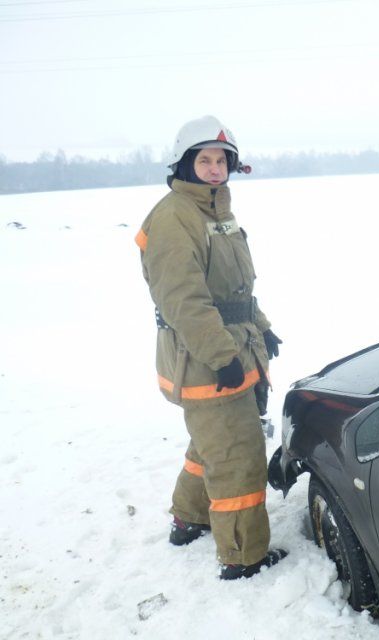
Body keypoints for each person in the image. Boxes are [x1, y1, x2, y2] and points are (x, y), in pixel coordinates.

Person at [135, 115, 285, 580]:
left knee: (210, 444)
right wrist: (224, 360)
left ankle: (188, 518)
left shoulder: (216, 212)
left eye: (222, 160)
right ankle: (244, 557)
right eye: (205, 159)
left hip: (233, 347)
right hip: (207, 359)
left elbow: (235, 289)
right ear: (185, 164)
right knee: (238, 455)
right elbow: (185, 301)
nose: (215, 167)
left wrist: (261, 326)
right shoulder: (175, 216)